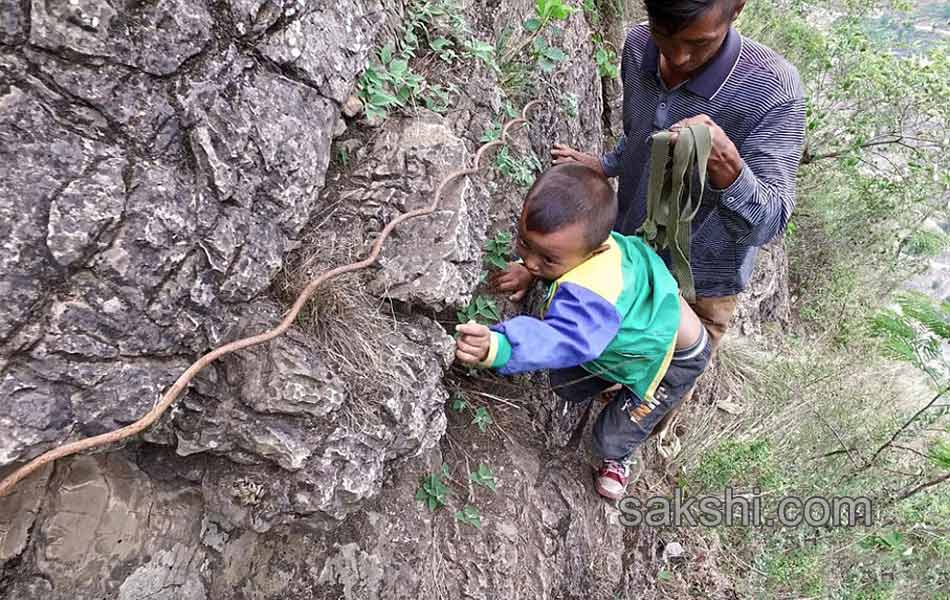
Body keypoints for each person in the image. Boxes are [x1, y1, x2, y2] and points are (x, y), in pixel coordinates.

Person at [456, 163, 711, 501]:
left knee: (607, 439)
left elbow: (566, 338)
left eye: (546, 260)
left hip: (672, 359)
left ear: (593, 251)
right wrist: (532, 272)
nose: (531, 262)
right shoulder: (583, 247)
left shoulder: (596, 292)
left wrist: (500, 346)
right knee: (566, 383)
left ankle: (620, 457)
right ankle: (611, 377)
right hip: (639, 327)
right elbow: (553, 264)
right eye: (524, 244)